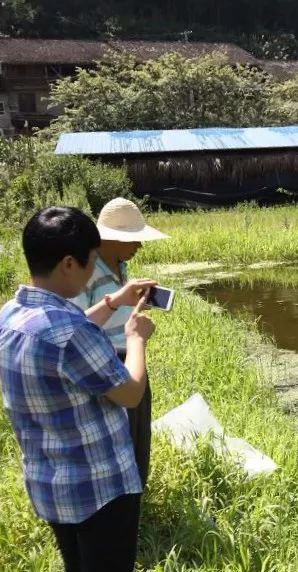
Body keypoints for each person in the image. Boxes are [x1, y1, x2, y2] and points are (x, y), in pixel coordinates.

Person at [0, 206, 156, 572]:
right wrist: (135, 338)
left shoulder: (14, 314)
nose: (91, 272)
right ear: (69, 264)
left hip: (51, 483)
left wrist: (110, 304)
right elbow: (128, 392)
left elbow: (66, 332)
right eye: (88, 261)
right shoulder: (70, 334)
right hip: (100, 487)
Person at [71, 197, 168, 489]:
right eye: (134, 240)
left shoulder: (119, 265)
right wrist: (115, 305)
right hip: (105, 361)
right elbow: (73, 326)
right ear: (112, 239)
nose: (139, 246)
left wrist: (134, 305)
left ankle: (138, 487)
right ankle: (122, 492)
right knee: (118, 431)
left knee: (139, 426)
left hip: (131, 355)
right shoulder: (85, 273)